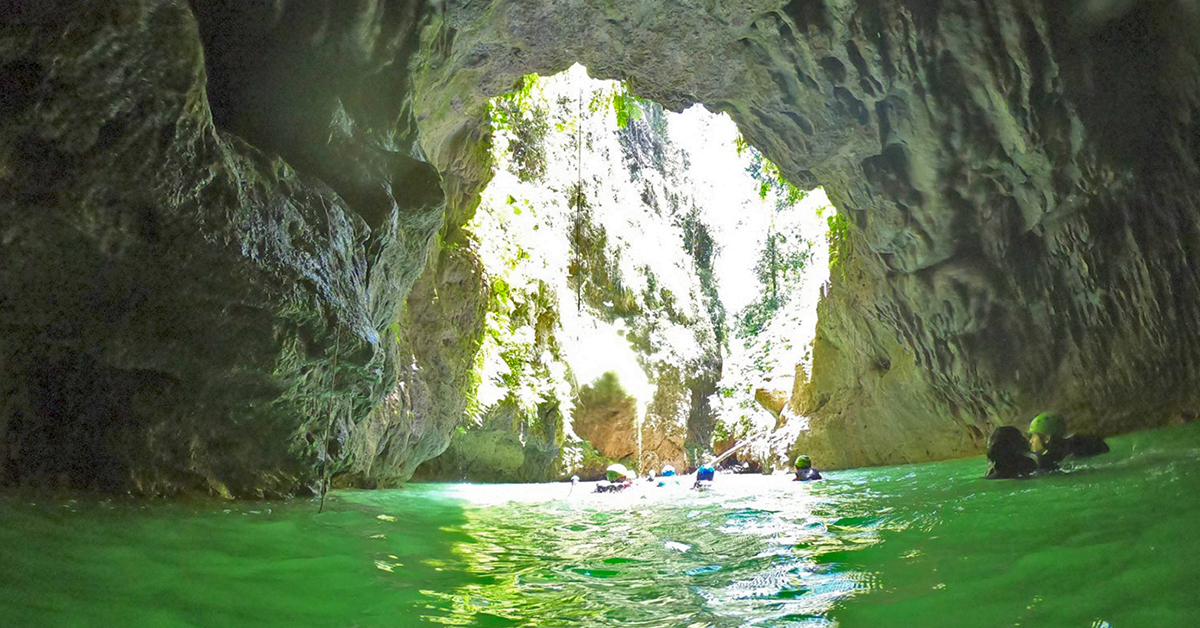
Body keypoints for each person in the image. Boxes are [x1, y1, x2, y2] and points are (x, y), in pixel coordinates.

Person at [985, 412, 1109, 479]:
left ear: (1047, 438)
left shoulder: (1065, 455)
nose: (1030, 441)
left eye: (1033, 436)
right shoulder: (1044, 461)